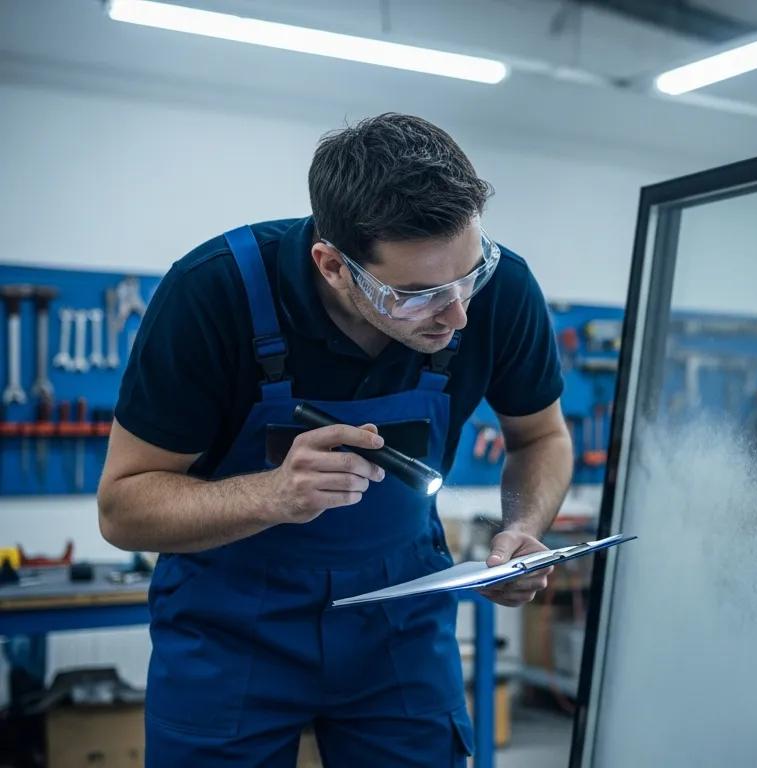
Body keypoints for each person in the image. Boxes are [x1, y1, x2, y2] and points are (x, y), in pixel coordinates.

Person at [97, 113, 573, 765]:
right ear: (332, 265)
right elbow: (123, 508)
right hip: (231, 627)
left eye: (470, 275)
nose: (458, 314)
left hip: (398, 627)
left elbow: (542, 435)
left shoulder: (499, 290)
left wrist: (524, 530)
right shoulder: (215, 292)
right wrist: (272, 496)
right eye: (417, 294)